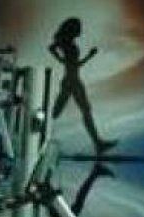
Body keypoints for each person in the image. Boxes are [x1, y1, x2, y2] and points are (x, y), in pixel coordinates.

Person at [48, 18, 118, 154]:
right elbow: (59, 54)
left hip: (72, 80)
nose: (81, 30)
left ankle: (98, 143)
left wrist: (64, 60)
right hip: (72, 81)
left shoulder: (68, 43)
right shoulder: (67, 44)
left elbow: (70, 61)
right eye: (78, 27)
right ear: (72, 29)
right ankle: (98, 144)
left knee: (64, 112)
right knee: (63, 112)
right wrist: (87, 56)